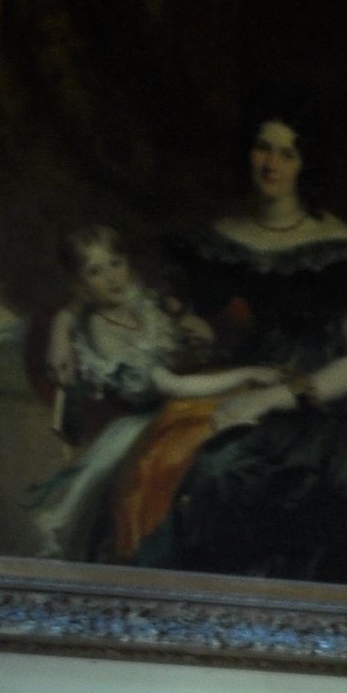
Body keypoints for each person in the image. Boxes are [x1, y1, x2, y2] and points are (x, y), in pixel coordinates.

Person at [133, 101, 347, 586]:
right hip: (254, 374)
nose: (272, 164)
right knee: (155, 452)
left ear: (306, 165)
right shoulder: (221, 236)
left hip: (330, 404)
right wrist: (189, 328)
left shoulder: (343, 251)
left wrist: (273, 397)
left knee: (225, 471)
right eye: (263, 147)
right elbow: (189, 311)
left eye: (288, 153)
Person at [21, 226, 273, 560]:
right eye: (96, 271)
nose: (113, 278)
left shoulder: (132, 300)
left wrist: (186, 322)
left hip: (181, 402)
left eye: (116, 263)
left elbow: (163, 317)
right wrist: (248, 372)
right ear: (80, 285)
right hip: (148, 421)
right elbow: (173, 385)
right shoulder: (102, 331)